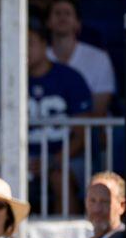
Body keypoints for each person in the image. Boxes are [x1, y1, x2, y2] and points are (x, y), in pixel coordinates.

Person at [26, 15, 92, 214]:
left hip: (67, 158)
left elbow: (82, 135)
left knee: (58, 177)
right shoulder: (10, 80)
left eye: (29, 43)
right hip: (24, 157)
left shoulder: (70, 78)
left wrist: (53, 159)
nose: (23, 50)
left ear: (44, 44)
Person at [46, 0, 115, 117]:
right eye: (57, 13)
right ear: (48, 23)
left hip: (88, 132)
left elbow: (99, 111)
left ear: (78, 23)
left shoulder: (99, 58)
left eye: (67, 13)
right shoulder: (39, 57)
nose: (62, 17)